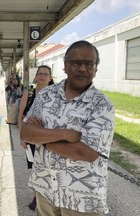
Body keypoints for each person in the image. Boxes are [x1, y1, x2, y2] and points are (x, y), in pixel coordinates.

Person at [20, 40, 115, 216]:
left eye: (89, 64)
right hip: (45, 188)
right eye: (76, 62)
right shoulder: (46, 95)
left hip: (81, 199)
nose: (83, 68)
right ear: (65, 66)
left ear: (95, 69)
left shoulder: (103, 105)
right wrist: (66, 134)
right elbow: (26, 133)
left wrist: (44, 141)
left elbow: (86, 153)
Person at [18, 65, 54, 210]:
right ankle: (36, 196)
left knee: (47, 166)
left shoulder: (55, 94)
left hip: (48, 137)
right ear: (36, 76)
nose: (42, 76)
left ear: (50, 78)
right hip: (31, 136)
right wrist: (23, 136)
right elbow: (21, 115)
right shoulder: (30, 92)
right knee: (34, 167)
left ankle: (45, 196)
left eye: (46, 74)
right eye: (40, 73)